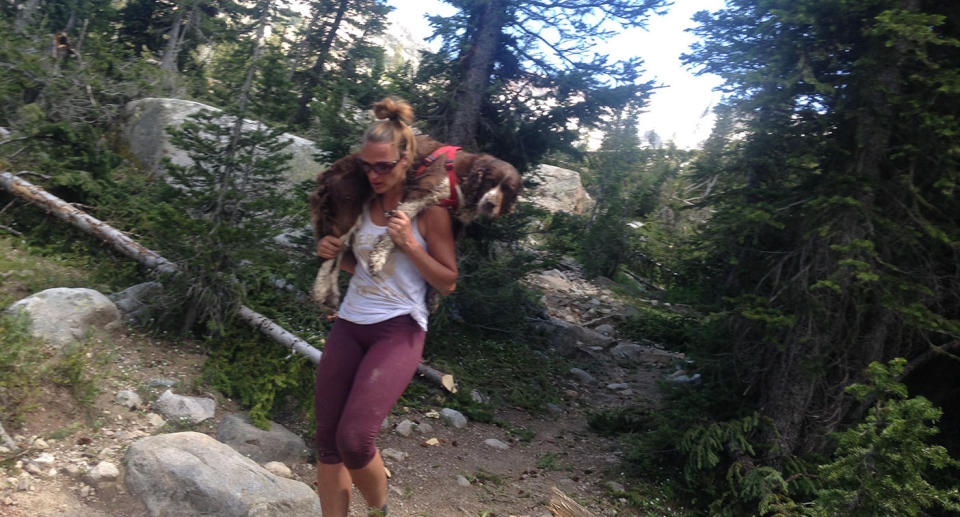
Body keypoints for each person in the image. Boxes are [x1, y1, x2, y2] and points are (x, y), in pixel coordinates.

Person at [313, 97, 458, 517]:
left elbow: (448, 282)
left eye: (384, 166)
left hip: (399, 329)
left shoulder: (429, 213)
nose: (374, 175)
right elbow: (361, 267)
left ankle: (379, 512)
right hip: (350, 323)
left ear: (406, 159)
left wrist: (409, 243)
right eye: (366, 166)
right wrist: (331, 252)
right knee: (327, 442)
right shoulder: (361, 204)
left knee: (355, 440)